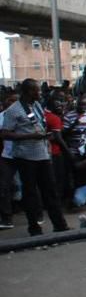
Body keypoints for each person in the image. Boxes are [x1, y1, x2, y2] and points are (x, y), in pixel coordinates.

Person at [0, 79, 69, 236]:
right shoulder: (14, 110)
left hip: (42, 154)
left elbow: (38, 124)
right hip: (25, 157)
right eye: (36, 90)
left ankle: (60, 225)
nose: (39, 93)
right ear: (28, 92)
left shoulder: (36, 106)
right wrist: (30, 136)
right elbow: (4, 133)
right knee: (30, 193)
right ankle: (34, 229)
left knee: (50, 191)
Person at [0, 92, 18, 229]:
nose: (12, 103)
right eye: (10, 100)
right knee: (4, 186)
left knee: (30, 186)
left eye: (15, 101)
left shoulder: (26, 115)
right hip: (7, 155)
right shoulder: (1, 117)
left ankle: (36, 215)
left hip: (24, 155)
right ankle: (7, 219)